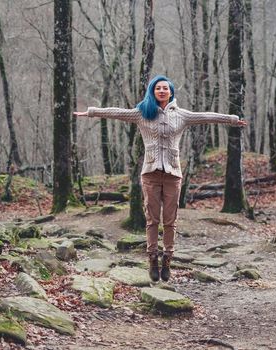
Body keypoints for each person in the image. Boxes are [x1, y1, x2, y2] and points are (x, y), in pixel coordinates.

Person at [74, 75, 246, 282]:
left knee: (170, 221)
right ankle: (152, 259)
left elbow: (206, 116)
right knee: (152, 220)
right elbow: (117, 113)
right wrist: (91, 112)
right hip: (150, 174)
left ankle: (168, 259)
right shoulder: (143, 113)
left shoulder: (181, 115)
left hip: (173, 174)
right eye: (158, 88)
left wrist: (232, 120)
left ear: (171, 92)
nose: (162, 91)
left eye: (165, 88)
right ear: (153, 92)